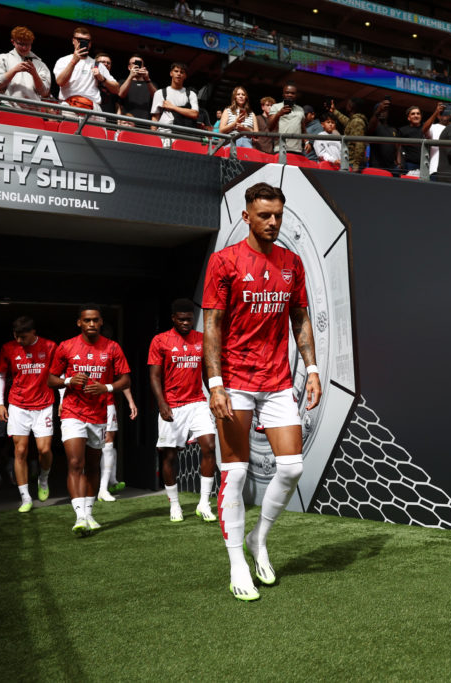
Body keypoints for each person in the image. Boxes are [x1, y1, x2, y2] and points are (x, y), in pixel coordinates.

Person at [202, 182, 322, 602]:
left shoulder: (292, 262)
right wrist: (214, 384)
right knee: (234, 472)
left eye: (278, 215)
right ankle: (237, 561)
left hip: (275, 382)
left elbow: (300, 317)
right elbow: (212, 326)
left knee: (290, 468)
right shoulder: (224, 262)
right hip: (233, 381)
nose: (272, 222)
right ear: (246, 216)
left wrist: (312, 369)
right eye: (264, 215)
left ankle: (258, 539)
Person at [48, 304, 131, 536]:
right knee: (76, 463)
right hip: (73, 412)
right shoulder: (66, 346)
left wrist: (105, 387)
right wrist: (68, 381)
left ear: (101, 322)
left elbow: (125, 380)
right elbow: (51, 379)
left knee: (93, 465)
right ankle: (80, 516)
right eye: (87, 320)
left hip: (99, 414)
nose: (91, 324)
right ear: (79, 323)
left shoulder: (112, 347)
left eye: (95, 320)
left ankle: (89, 512)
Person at [149, 299, 219, 522]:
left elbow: (207, 373)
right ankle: (175, 505)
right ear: (173, 319)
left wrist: (215, 395)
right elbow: (154, 376)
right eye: (181, 319)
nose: (186, 323)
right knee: (169, 455)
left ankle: (204, 503)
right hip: (172, 405)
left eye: (189, 319)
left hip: (197, 401)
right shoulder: (160, 341)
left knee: (209, 445)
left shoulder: (201, 339)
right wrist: (161, 403)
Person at [0, 316, 57, 513]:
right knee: (20, 451)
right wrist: (0, 403)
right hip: (18, 406)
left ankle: (43, 479)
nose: (20, 341)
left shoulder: (49, 346)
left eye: (24, 337)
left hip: (44, 404)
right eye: (17, 337)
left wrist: (63, 401)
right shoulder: (8, 348)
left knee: (44, 450)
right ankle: (25, 497)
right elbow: (0, 375)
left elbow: (59, 375)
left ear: (33, 332)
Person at [53, 27, 117, 112]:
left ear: (90, 44)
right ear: (73, 41)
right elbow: (60, 82)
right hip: (69, 105)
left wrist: (102, 79)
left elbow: (116, 89)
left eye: (87, 41)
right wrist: (73, 62)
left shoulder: (97, 64)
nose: (83, 43)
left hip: (92, 108)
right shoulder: (63, 60)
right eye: (79, 39)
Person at [98, 375, 137, 502]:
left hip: (107, 404)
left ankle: (103, 489)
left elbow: (123, 378)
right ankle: (84, 489)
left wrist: (130, 401)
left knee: (109, 444)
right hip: (82, 405)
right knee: (86, 446)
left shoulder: (112, 355)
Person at [0, 26, 50, 105]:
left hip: (32, 110)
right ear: (13, 42)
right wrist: (14, 70)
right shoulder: (2, 59)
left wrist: (34, 74)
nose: (24, 47)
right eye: (21, 44)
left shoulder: (40, 64)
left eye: (27, 44)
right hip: (6, 106)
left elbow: (44, 92)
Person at [150, 62, 199, 137]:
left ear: (185, 76)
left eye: (182, 72)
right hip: (163, 133)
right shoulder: (160, 93)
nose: (179, 74)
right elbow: (155, 117)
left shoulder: (191, 94)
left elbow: (194, 114)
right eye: (176, 71)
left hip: (184, 134)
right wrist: (153, 136)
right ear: (171, 73)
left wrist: (172, 107)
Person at [398, 103, 442, 173]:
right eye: (413, 114)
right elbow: (398, 147)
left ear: (421, 116)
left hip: (426, 164)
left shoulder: (427, 128)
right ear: (408, 118)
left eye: (418, 114)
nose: (416, 116)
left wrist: (437, 112)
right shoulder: (403, 130)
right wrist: (399, 163)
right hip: (410, 164)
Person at [268, 82, 306, 157]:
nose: (290, 95)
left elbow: (303, 130)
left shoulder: (300, 109)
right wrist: (279, 114)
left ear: (296, 95)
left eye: (292, 93)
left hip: (297, 150)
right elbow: (270, 127)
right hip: (281, 149)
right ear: (283, 94)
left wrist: (307, 142)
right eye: (287, 93)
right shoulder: (276, 107)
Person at [331, 98, 368, 172]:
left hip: (352, 164)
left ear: (351, 107)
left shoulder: (357, 122)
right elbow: (346, 121)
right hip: (349, 161)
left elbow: (359, 144)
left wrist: (356, 165)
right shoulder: (354, 121)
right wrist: (334, 110)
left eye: (347, 104)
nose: (346, 106)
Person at [367, 97, 401, 174]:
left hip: (392, 168)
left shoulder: (393, 129)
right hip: (377, 166)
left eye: (385, 111)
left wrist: (399, 163)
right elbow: (370, 127)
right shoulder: (374, 126)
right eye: (380, 111)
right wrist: (379, 110)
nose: (382, 112)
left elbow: (398, 147)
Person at [118, 54, 155, 123]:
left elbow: (156, 97)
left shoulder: (150, 83)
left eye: (139, 64)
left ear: (143, 67)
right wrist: (131, 76)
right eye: (134, 63)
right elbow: (121, 94)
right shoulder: (122, 82)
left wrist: (147, 79)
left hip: (145, 123)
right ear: (129, 67)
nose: (137, 65)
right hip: (127, 122)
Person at [427, 104, 451, 176]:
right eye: (442, 113)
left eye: (447, 113)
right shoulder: (433, 127)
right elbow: (424, 129)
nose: (445, 115)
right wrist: (436, 112)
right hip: (435, 169)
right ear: (438, 116)